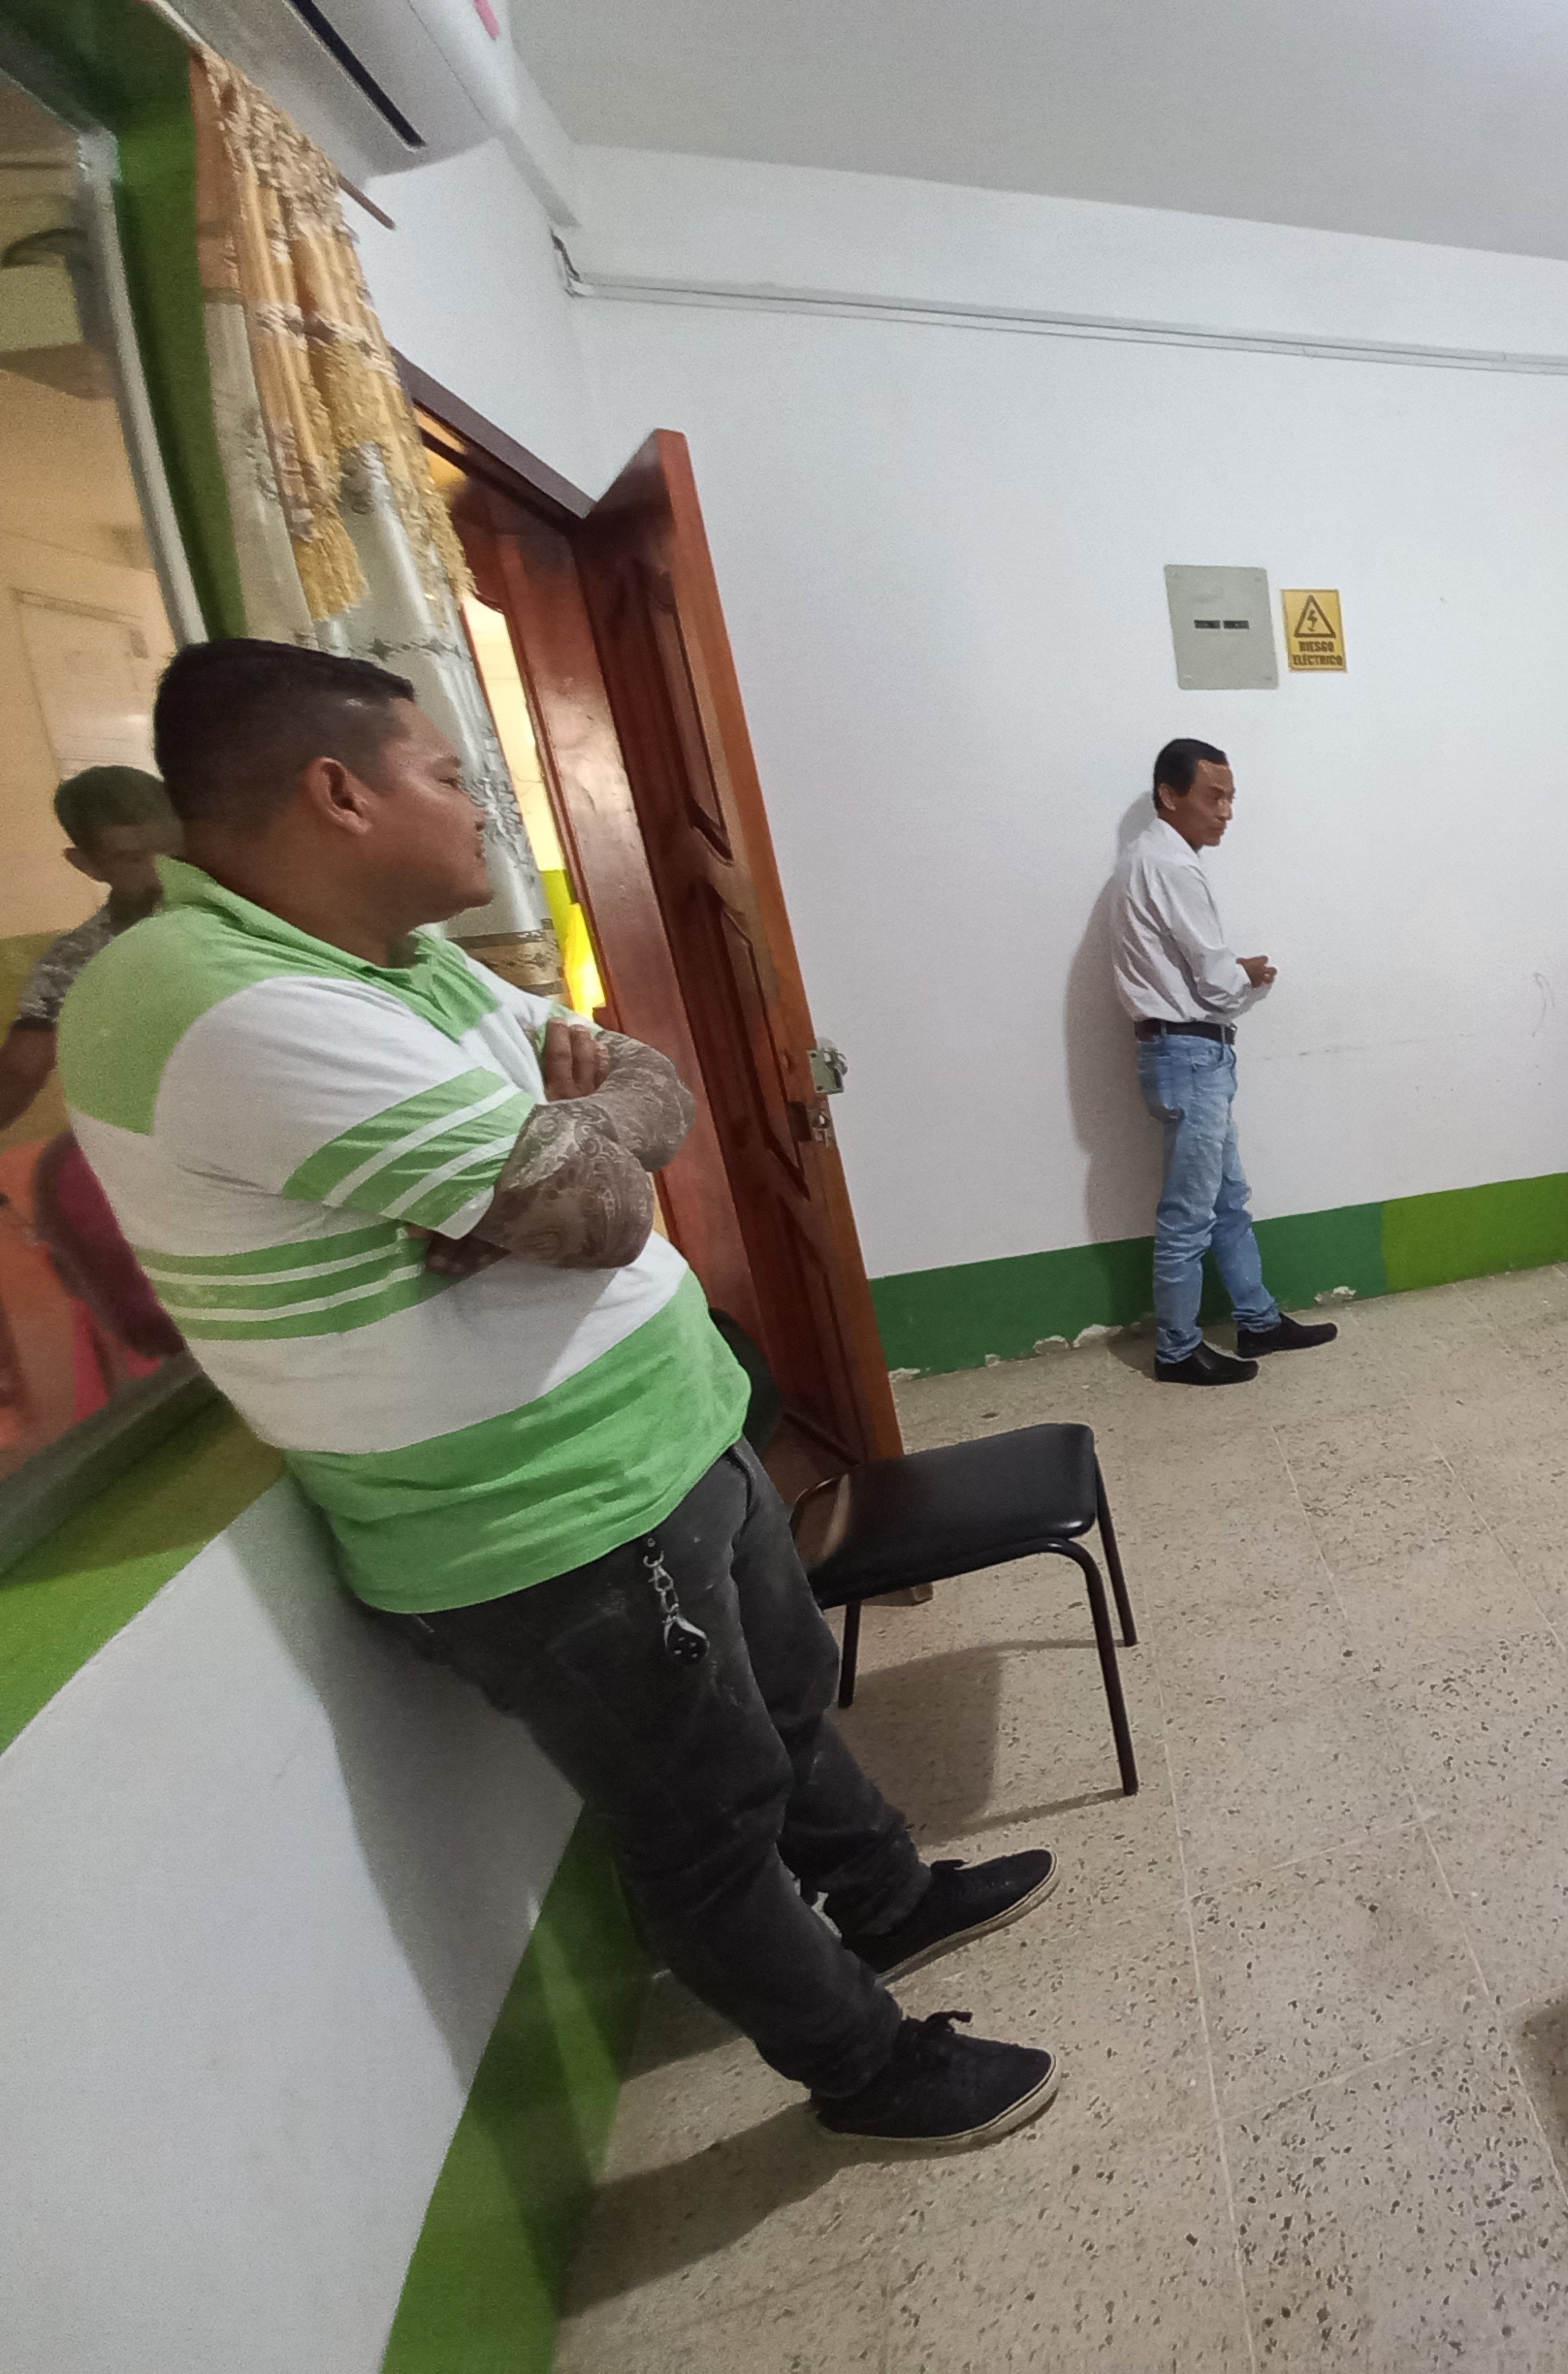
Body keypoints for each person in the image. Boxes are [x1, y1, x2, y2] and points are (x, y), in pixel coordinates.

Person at [59, 641, 1062, 2148]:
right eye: (448, 774)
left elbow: (644, 1092)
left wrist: (561, 1147)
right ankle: (862, 2070)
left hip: (673, 1433)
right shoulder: (218, 1000)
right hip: (555, 1515)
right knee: (706, 1815)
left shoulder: (400, 956)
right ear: (337, 792)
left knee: (789, 1701)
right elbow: (597, 1212)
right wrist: (561, 1161)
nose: (482, 807)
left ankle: (889, 1897)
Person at [1109, 737, 1337, 1385]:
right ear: (1169, 795)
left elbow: (1182, 963)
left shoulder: (1145, 858)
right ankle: (1177, 1350)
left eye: (1232, 797)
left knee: (1228, 1198)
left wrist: (1231, 970)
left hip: (1182, 1051)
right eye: (1214, 796)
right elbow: (1212, 983)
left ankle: (1257, 1319)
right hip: (1190, 1054)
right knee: (1190, 1213)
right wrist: (1244, 979)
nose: (1226, 812)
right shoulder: (1172, 865)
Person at [0, 765, 183, 1135]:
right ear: (86, 864)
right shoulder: (77, 960)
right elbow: (20, 1073)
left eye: (172, 850)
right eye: (132, 858)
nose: (161, 872)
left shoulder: (260, 904)